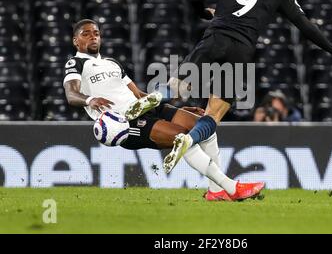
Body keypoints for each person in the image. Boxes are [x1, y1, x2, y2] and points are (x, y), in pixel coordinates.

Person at [159, 0, 332, 173]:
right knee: (213, 114)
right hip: (241, 51)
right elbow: (305, 25)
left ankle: (151, 99)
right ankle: (190, 141)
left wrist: (207, 14)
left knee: (176, 88)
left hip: (214, 39)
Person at [63, 19, 264, 201]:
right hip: (125, 123)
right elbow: (71, 95)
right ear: (75, 41)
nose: (93, 37)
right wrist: (90, 99)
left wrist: (175, 107)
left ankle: (216, 191)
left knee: (205, 127)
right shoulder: (76, 63)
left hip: (146, 108)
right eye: (86, 33)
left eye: (96, 33)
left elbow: (140, 96)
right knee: (183, 138)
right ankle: (231, 187)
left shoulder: (112, 63)